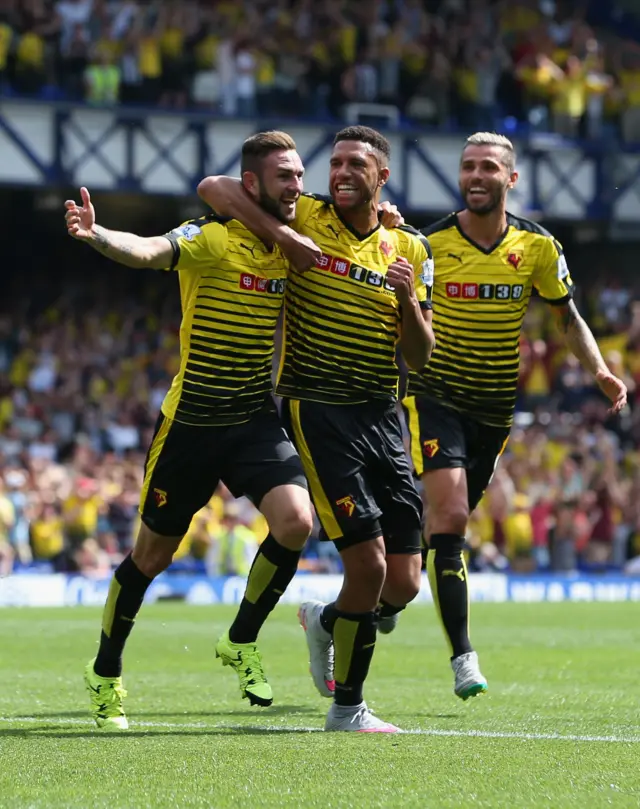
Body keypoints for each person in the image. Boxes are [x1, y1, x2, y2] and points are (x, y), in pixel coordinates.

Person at [65, 131, 316, 730]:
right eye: (286, 176)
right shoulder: (212, 237)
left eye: (300, 175)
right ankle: (105, 672)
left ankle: (241, 638)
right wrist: (97, 235)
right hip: (192, 424)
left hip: (255, 417)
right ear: (254, 184)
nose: (298, 186)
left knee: (297, 522)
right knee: (150, 557)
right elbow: (149, 250)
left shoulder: (293, 233)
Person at [197, 125, 436, 733]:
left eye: (357, 164)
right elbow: (214, 186)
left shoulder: (410, 249)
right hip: (318, 410)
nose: (341, 173)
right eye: (334, 163)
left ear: (382, 176)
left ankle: (325, 620)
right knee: (371, 566)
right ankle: (348, 708)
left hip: (384, 413)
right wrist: (281, 234)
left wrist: (409, 302)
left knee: (405, 583)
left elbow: (423, 354)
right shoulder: (305, 214)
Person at [401, 131, 627, 700]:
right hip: (435, 397)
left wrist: (599, 369)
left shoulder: (538, 247)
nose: (476, 176)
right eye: (468, 167)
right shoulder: (429, 245)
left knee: (433, 542)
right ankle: (463, 658)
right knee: (449, 518)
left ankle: (334, 618)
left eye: (488, 168)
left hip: (496, 409)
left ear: (511, 179)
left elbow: (567, 316)